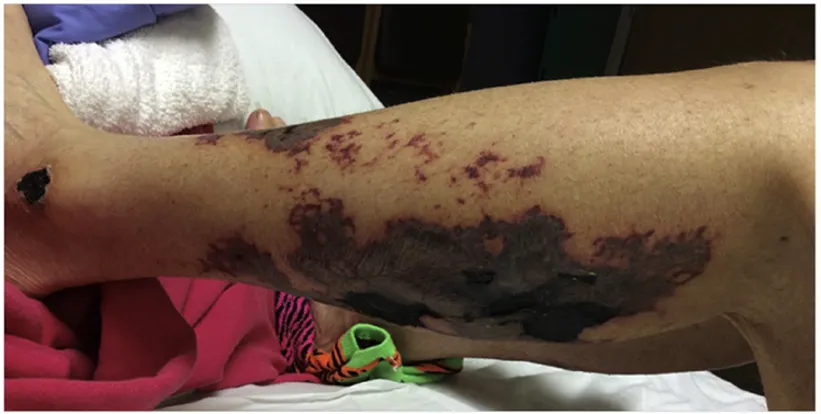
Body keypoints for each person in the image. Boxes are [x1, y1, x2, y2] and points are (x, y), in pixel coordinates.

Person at [5, 4, 813, 410]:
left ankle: (79, 197)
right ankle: (367, 312)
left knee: (790, 183)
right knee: (757, 257)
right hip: (284, 304)